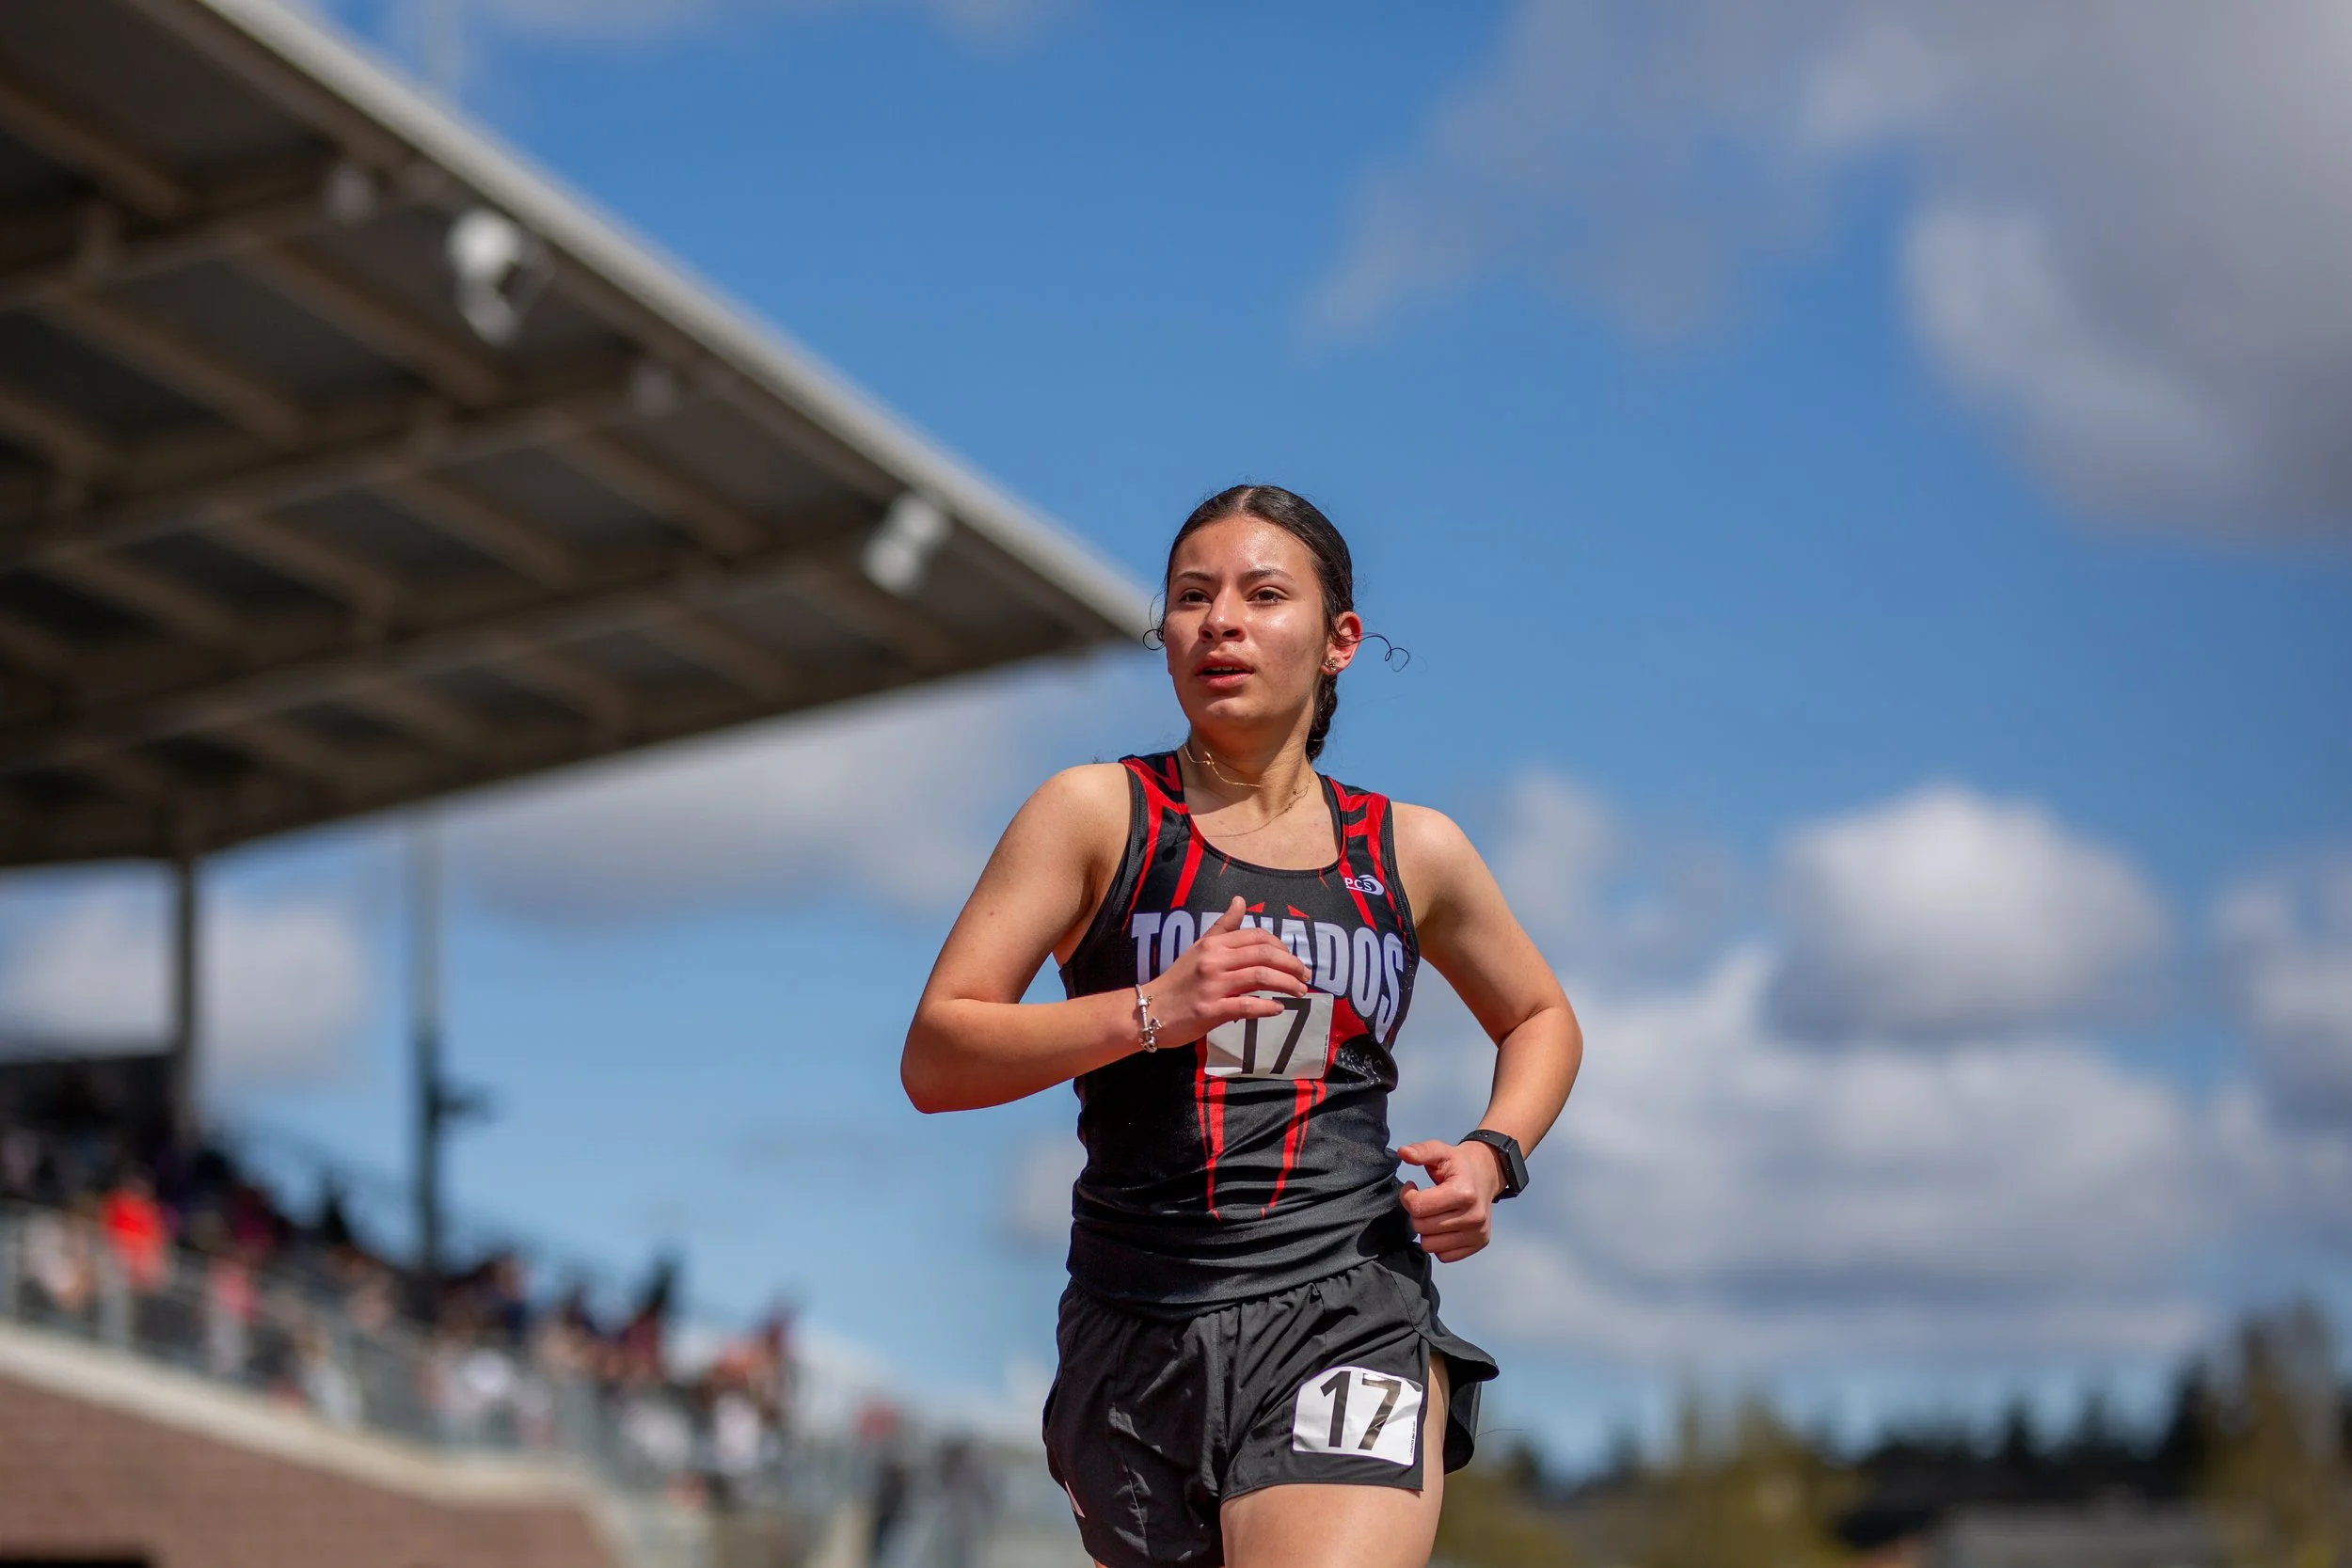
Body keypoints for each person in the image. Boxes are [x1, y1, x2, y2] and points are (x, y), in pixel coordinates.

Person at [903, 485, 1583, 1568]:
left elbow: (1540, 1014)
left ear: (1339, 640)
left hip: (1349, 1300)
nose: (1220, 620)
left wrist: (1495, 1151)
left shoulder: (1413, 849)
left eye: (1263, 595)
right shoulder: (1093, 812)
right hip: (1135, 1323)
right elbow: (937, 1056)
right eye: (1190, 596)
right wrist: (1151, 1010)